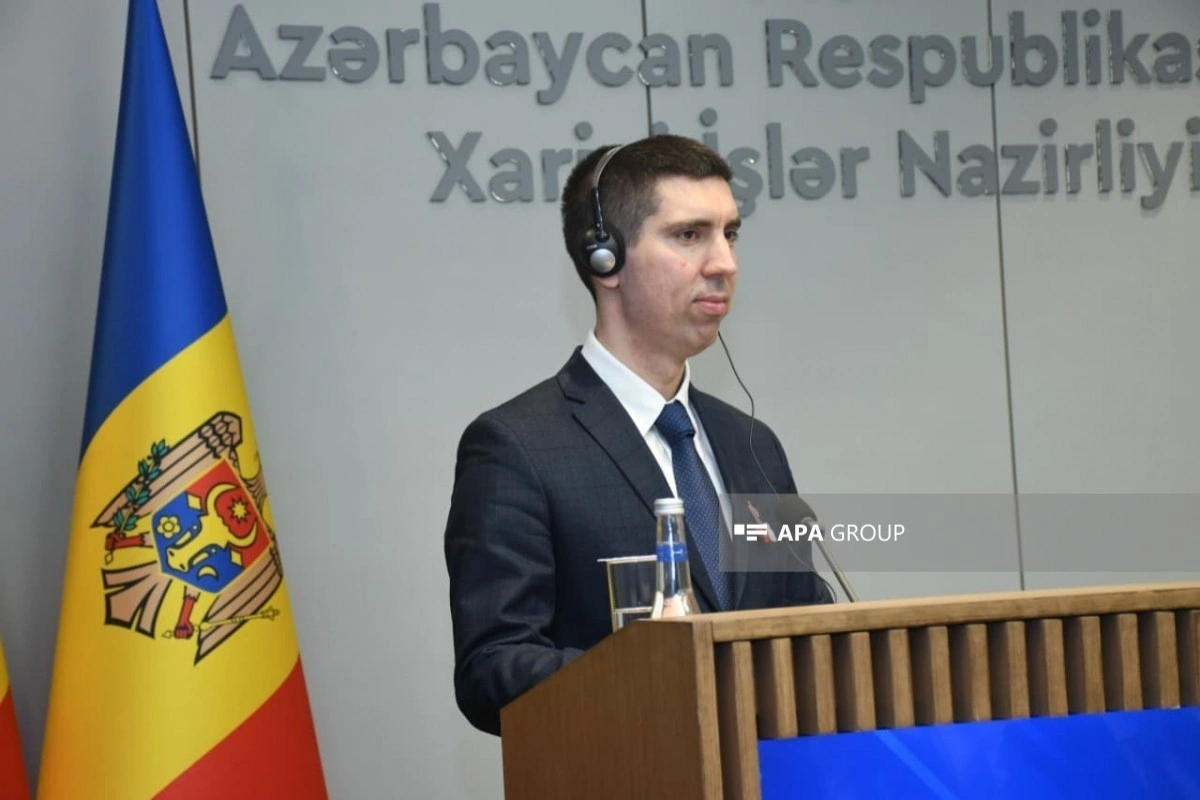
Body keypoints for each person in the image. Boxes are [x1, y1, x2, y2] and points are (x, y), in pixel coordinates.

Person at [443, 134, 832, 736]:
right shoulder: (516, 447)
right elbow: (492, 669)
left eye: (729, 234)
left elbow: (806, 624)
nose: (724, 263)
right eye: (689, 235)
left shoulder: (753, 445)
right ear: (606, 259)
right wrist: (656, 678)